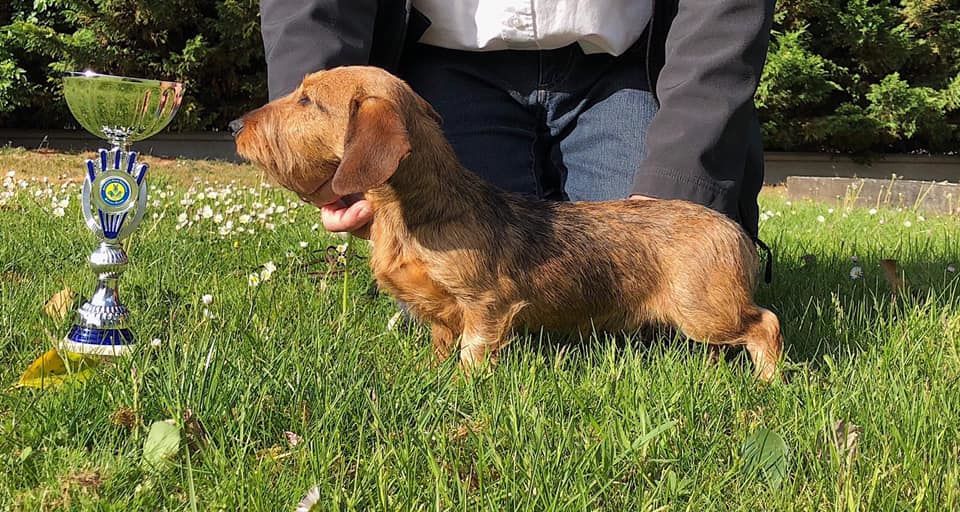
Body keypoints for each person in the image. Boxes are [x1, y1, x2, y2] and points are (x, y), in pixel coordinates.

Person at [258, 0, 774, 240]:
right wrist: (319, 145)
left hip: (624, 67)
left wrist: (683, 172)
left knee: (653, 303)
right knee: (447, 288)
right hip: (442, 69)